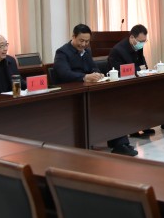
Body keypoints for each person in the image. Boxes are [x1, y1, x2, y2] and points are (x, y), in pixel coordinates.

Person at [54, 24, 137, 157]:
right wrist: (84, 77)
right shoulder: (62, 52)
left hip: (88, 90)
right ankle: (119, 143)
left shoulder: (87, 51)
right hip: (71, 95)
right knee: (105, 107)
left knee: (112, 104)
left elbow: (94, 67)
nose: (84, 44)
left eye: (87, 41)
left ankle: (121, 143)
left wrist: (98, 74)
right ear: (73, 37)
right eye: (81, 40)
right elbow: (63, 73)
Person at [108, 24, 156, 138]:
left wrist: (144, 69)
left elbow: (143, 65)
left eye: (144, 41)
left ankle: (144, 125)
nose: (142, 44)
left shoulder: (137, 46)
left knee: (150, 92)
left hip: (135, 80)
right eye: (140, 41)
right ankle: (133, 129)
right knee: (135, 97)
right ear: (132, 37)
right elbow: (119, 71)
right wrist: (138, 69)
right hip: (120, 84)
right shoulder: (118, 50)